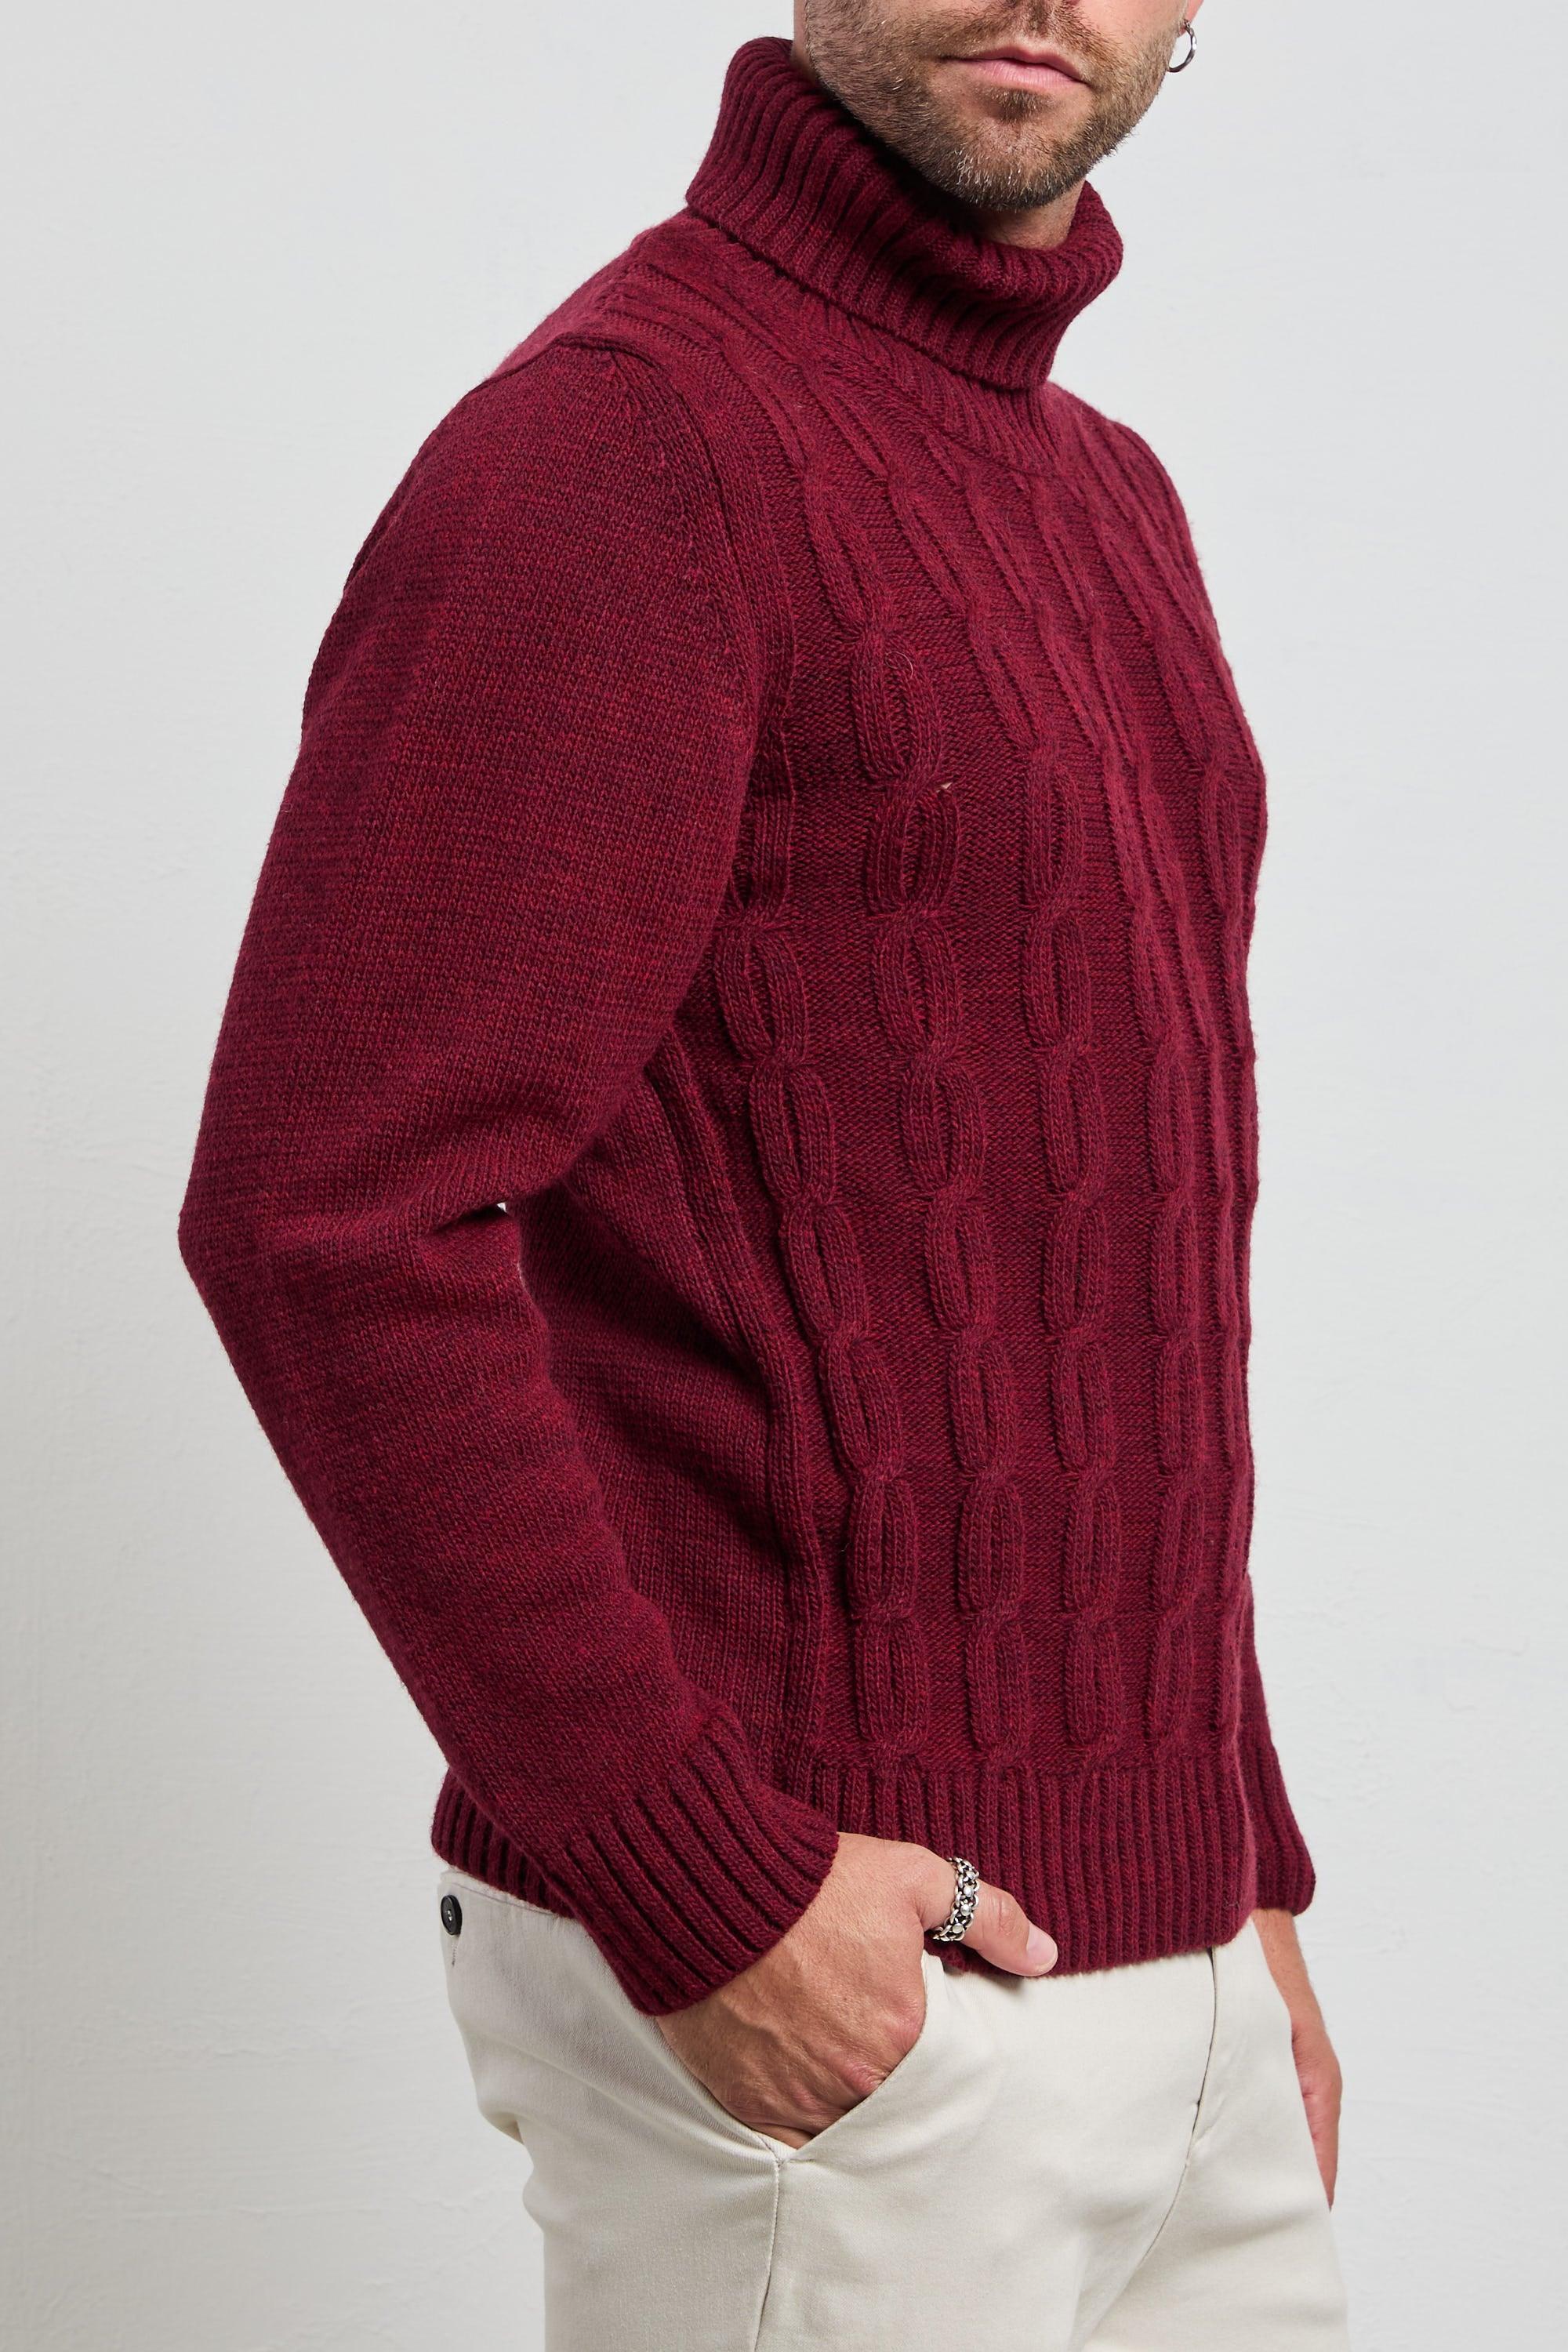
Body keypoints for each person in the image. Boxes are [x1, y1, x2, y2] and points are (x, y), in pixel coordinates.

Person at [180, 7, 1351, 2344]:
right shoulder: (626, 450)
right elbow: (326, 1215)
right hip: (841, 1994)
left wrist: (1244, 1869)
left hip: (1179, 1982)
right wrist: (701, 1885)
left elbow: (1105, 1248)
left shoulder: (1108, 496)